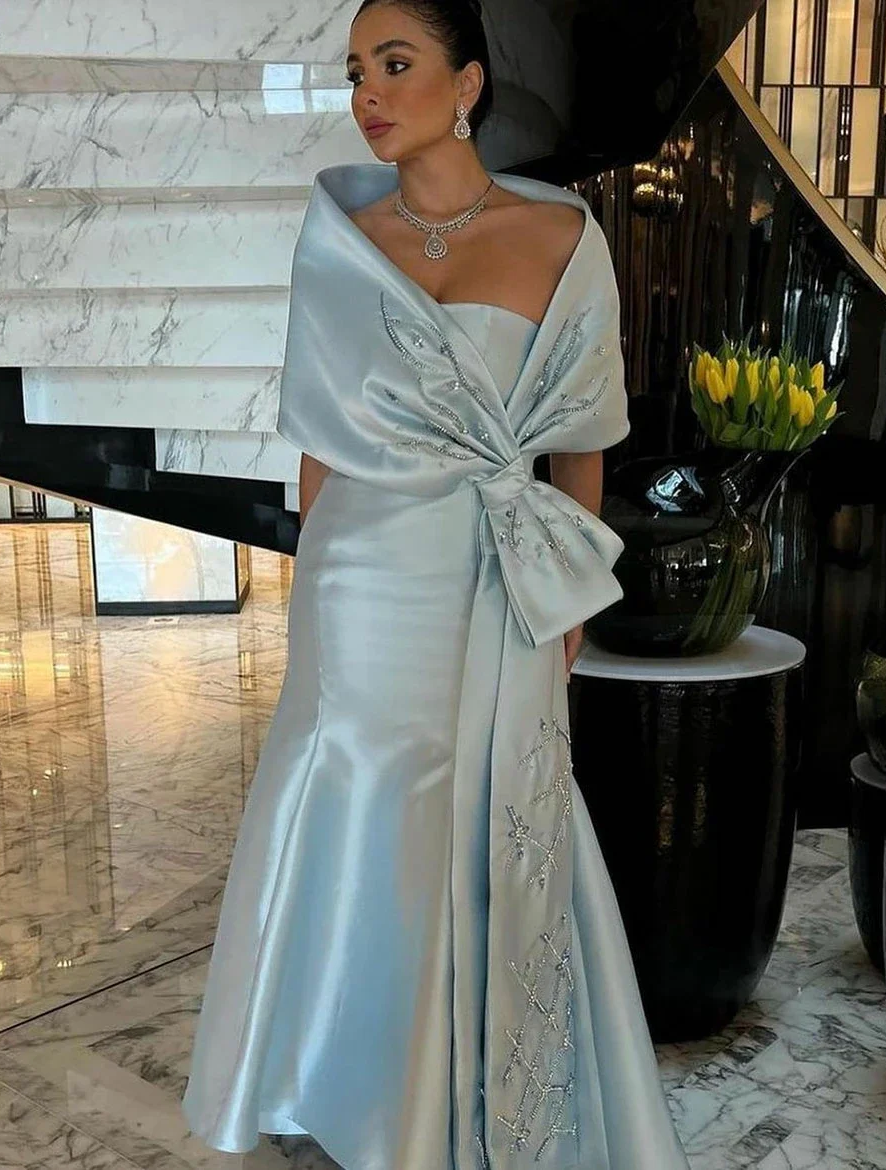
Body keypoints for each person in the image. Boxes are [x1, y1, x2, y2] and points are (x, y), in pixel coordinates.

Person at [181, 1, 690, 1167]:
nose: (368, 92)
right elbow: (320, 436)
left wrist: (566, 589)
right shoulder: (340, 237)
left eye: (396, 64)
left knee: (489, 812)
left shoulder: (557, 234)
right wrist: (312, 583)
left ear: (466, 85)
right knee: (356, 804)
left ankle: (467, 1090)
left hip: (496, 571)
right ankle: (344, 1076)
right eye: (357, 69)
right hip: (357, 577)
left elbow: (582, 432)